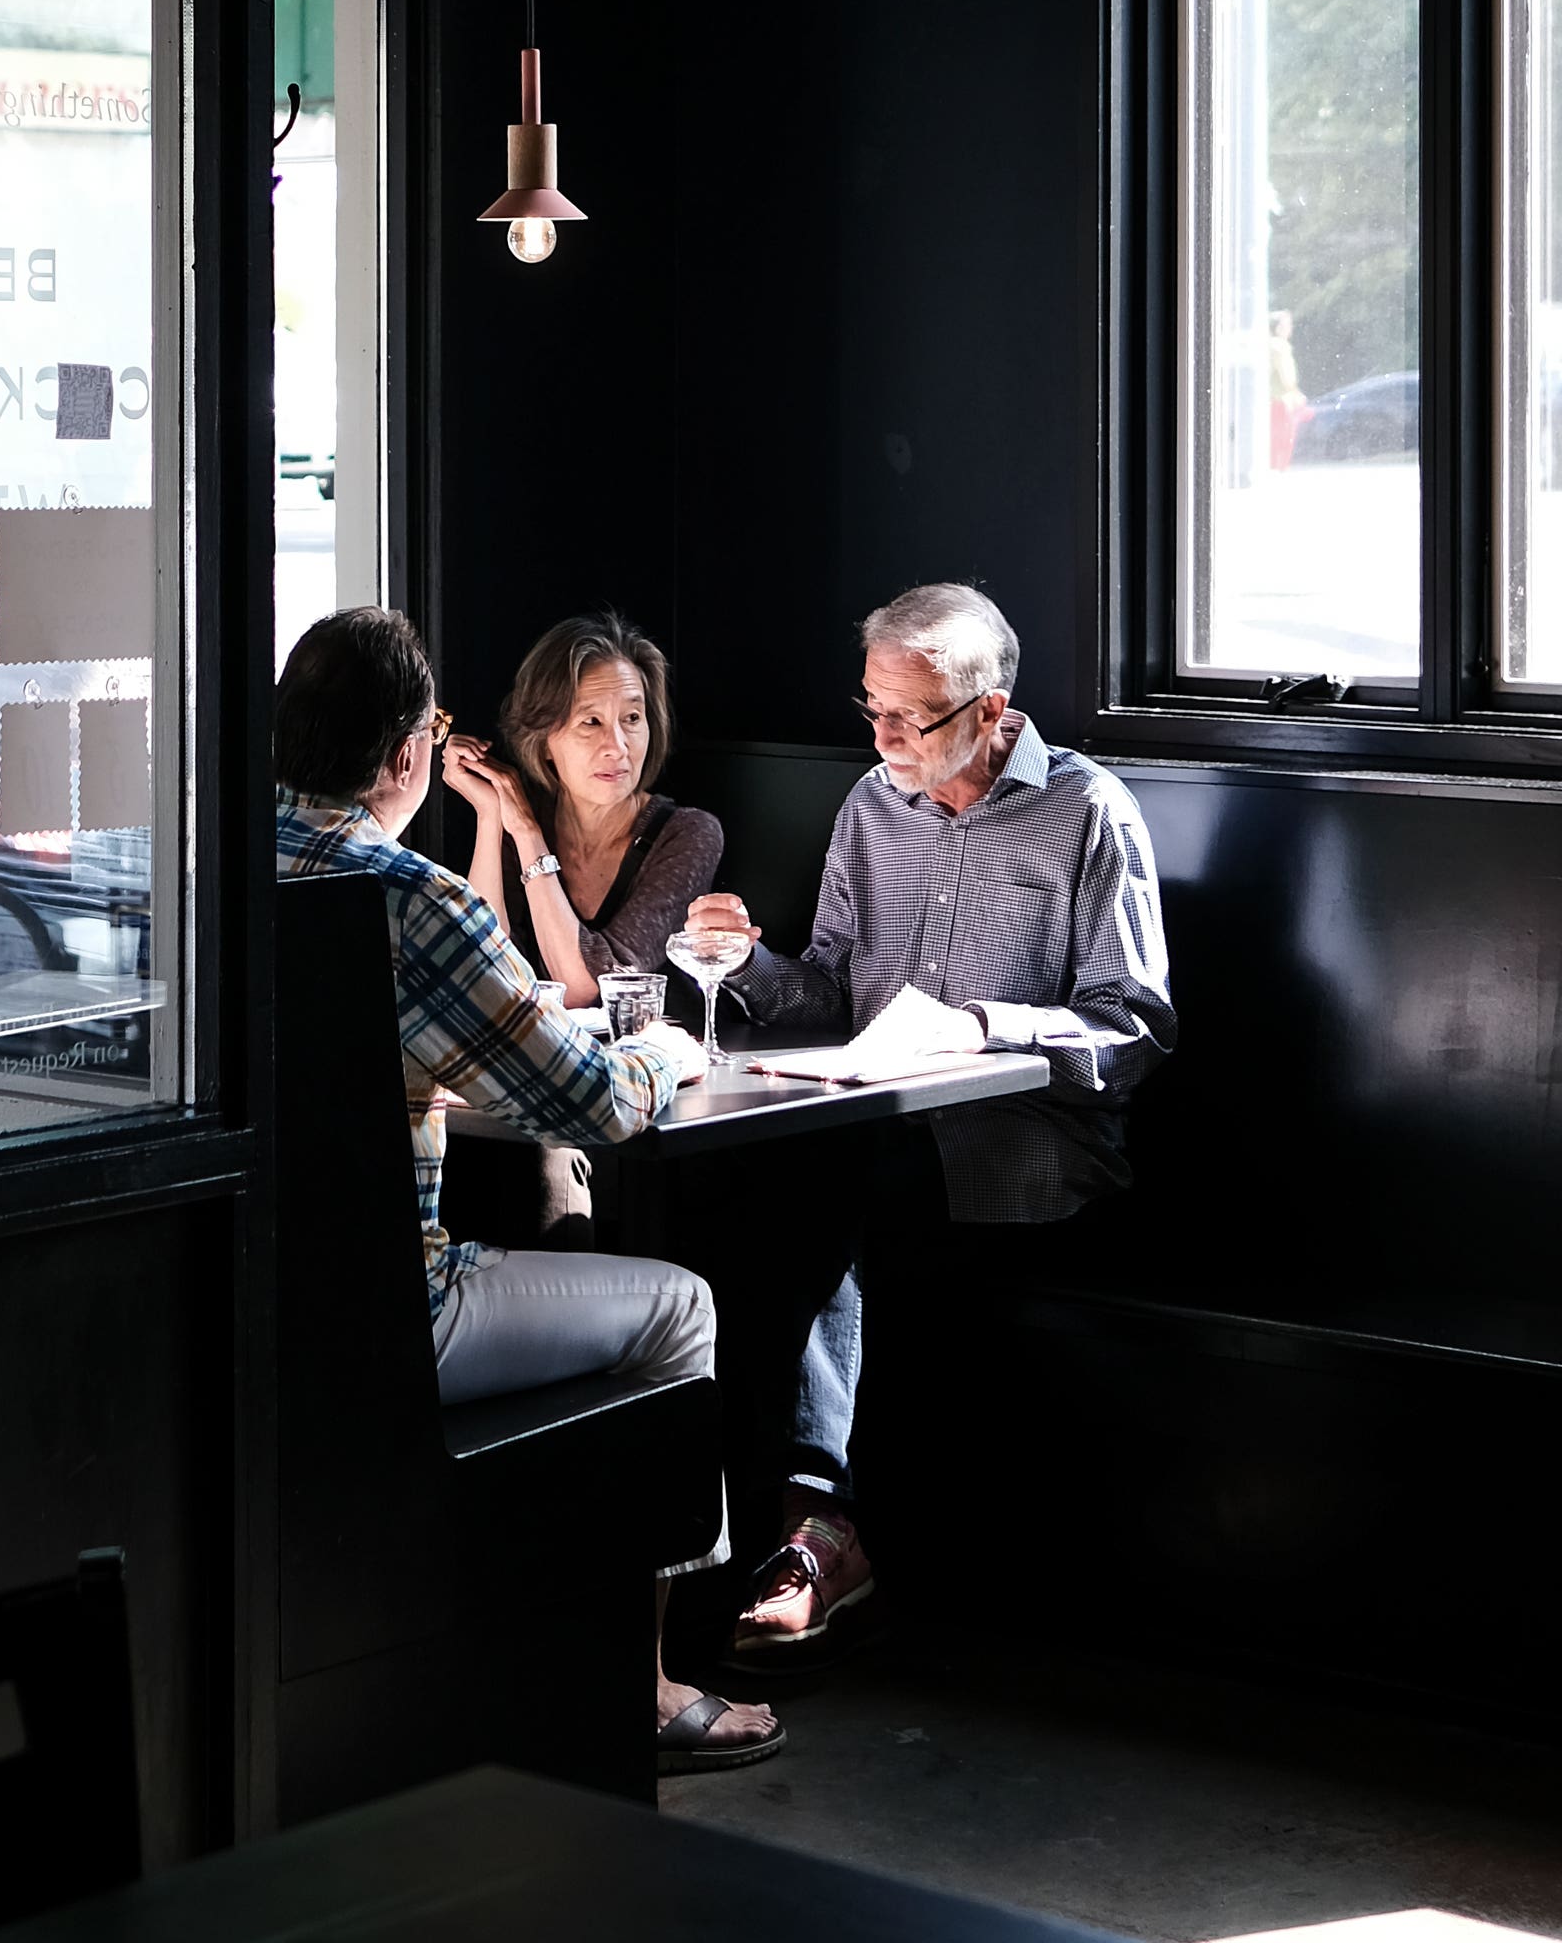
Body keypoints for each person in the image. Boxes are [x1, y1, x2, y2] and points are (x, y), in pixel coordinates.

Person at [272, 603, 781, 1772]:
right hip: (398, 1314)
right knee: (679, 1307)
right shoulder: (409, 895)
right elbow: (590, 1104)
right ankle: (643, 1685)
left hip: (245, 1302)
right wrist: (669, 1054)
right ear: (409, 755)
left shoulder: (210, 862)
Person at [679, 577, 1173, 1663]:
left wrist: (985, 1029)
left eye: (912, 717)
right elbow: (830, 992)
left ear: (991, 711)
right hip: (873, 1131)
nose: (885, 739)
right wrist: (746, 964)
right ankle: (743, 1542)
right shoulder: (872, 807)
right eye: (873, 710)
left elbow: (1134, 1031)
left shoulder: (1087, 813)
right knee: (744, 1192)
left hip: (1025, 1146)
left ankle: (813, 1532)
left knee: (815, 1198)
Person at [443, 609, 721, 1009]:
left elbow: (587, 988)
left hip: (652, 1049)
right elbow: (484, 970)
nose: (618, 747)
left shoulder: (688, 834)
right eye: (591, 722)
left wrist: (527, 833)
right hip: (539, 1048)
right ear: (544, 740)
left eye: (632, 718)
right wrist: (490, 815)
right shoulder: (520, 818)